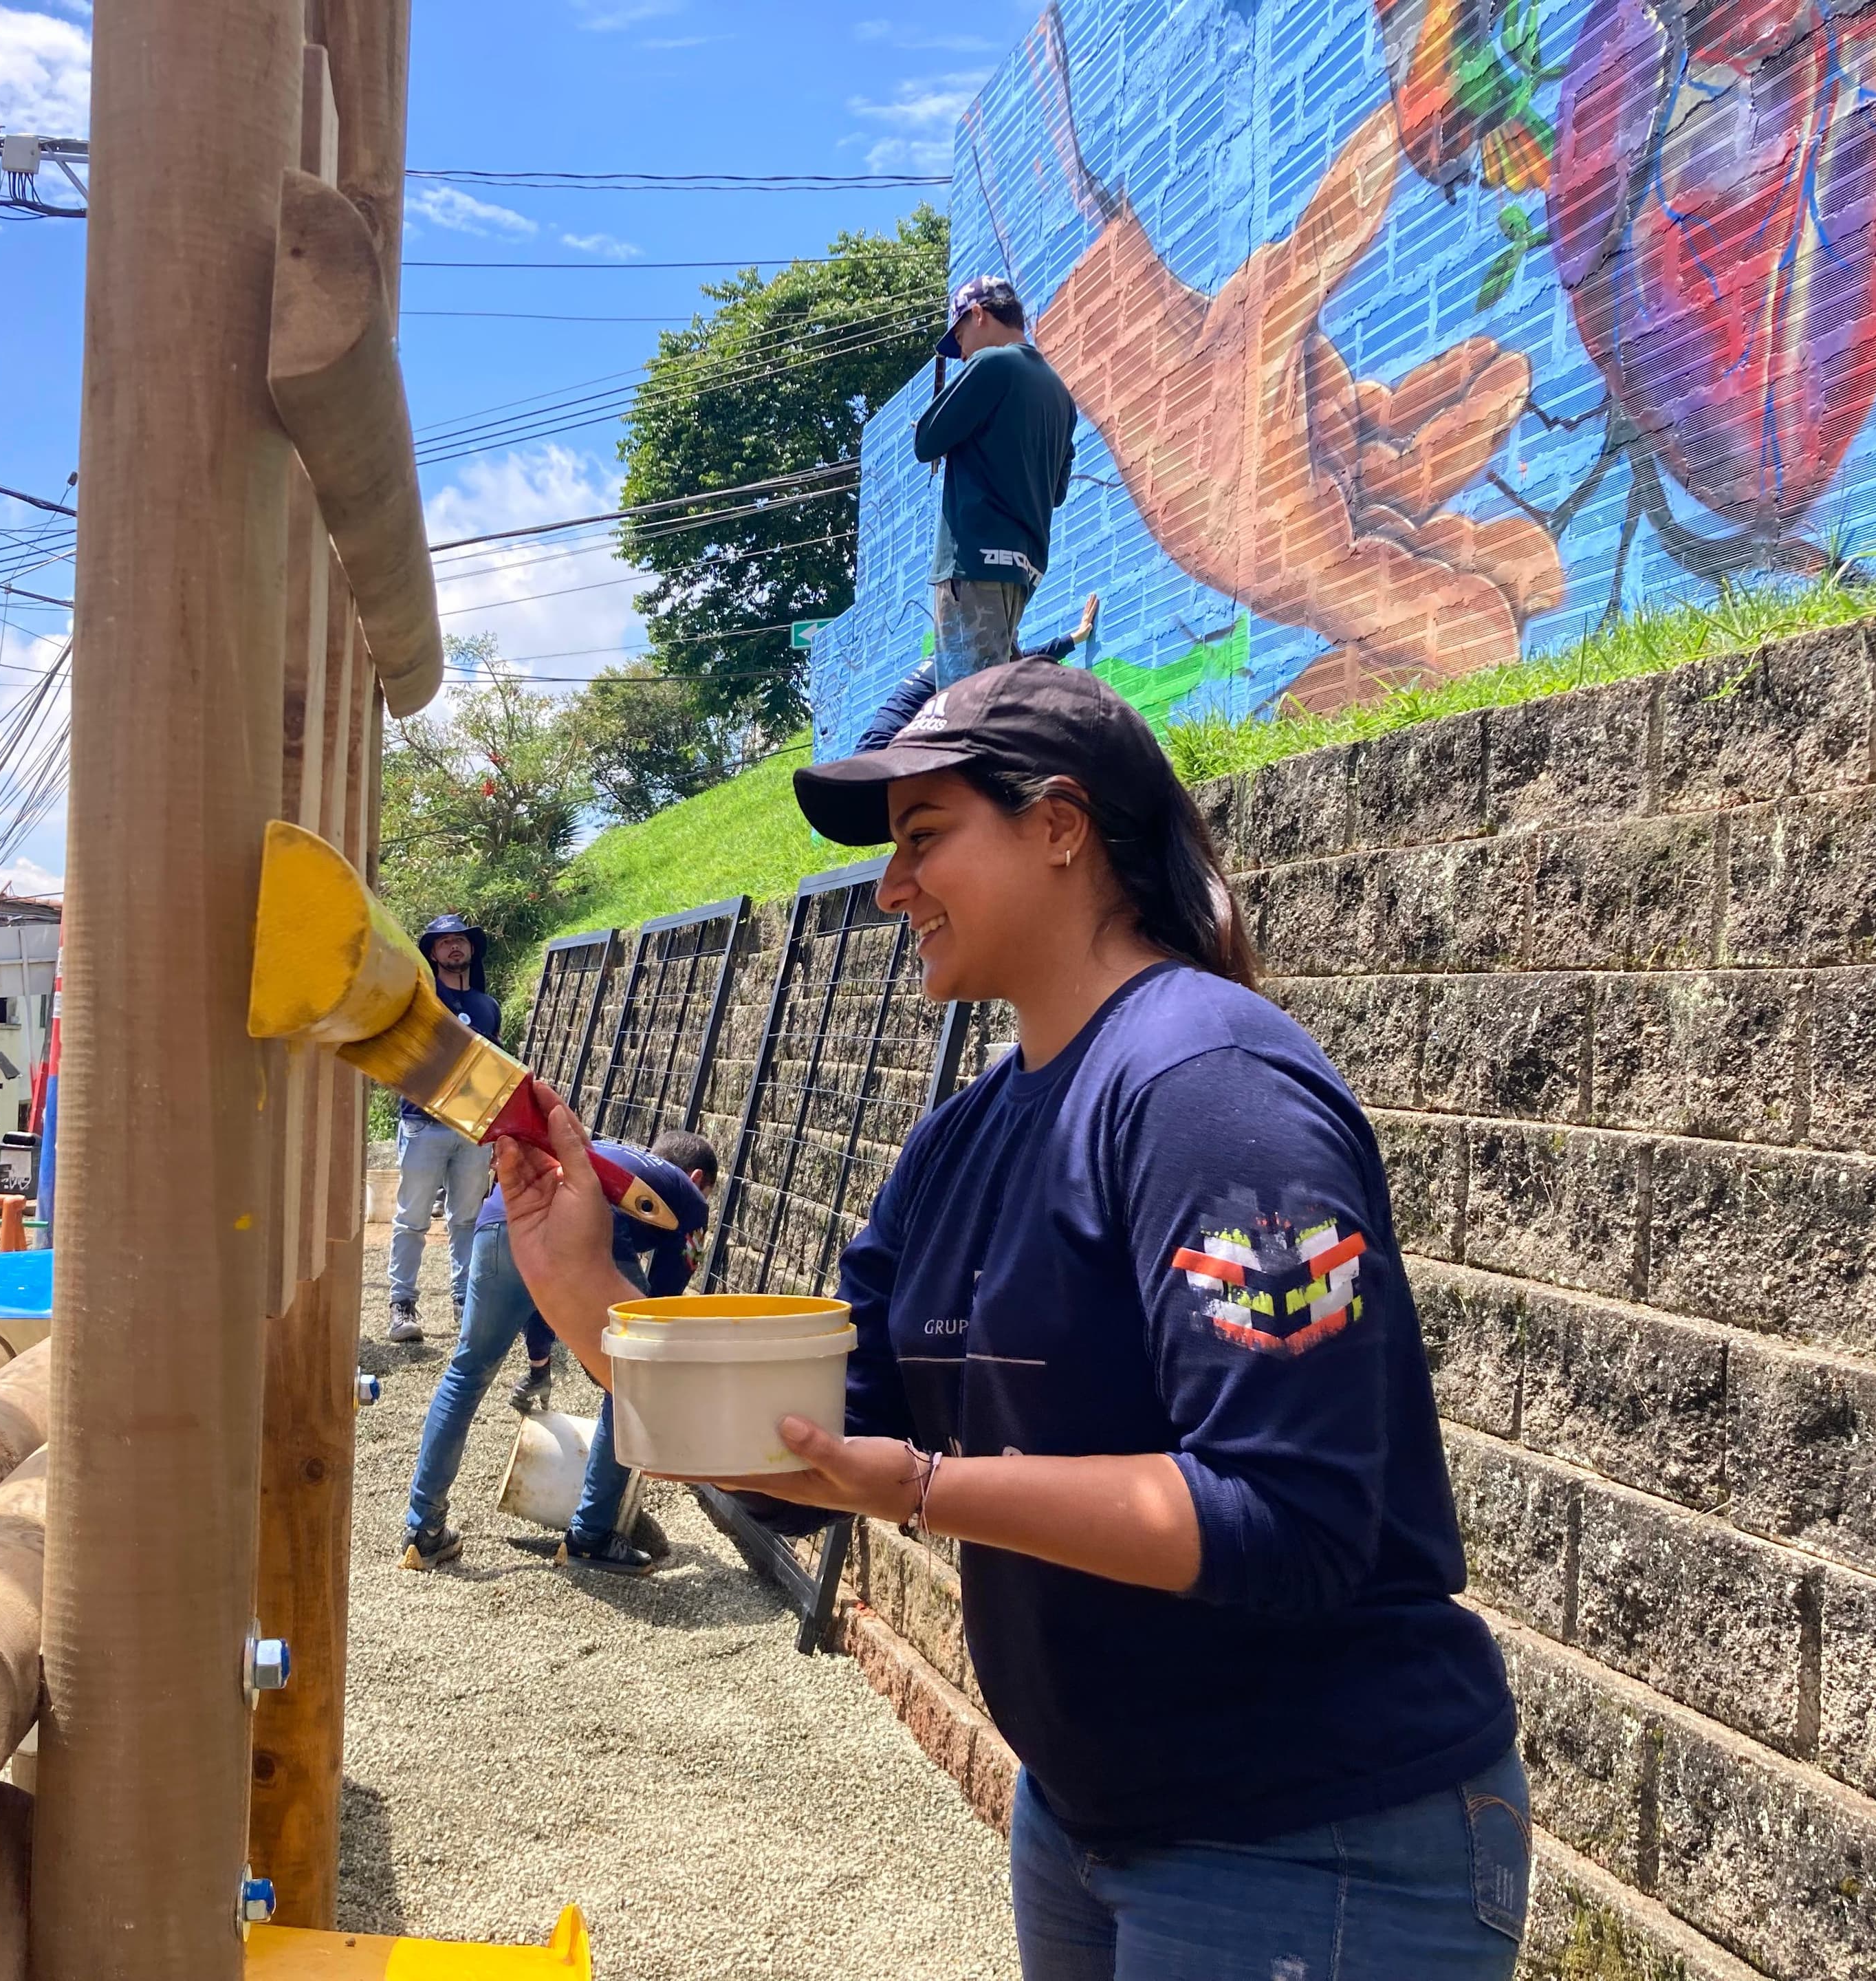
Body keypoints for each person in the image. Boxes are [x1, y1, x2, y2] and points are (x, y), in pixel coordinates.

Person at [496, 663, 1526, 1979]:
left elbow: (1297, 1521)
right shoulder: (967, 1134)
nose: (890, 889)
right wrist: (588, 1290)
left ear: (1059, 826)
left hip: (1311, 1837)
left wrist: (929, 1488)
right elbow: (819, 1455)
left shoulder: (1213, 1090)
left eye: (926, 839)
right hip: (1085, 1818)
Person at [964, 6, 1560, 711]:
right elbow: (1321, 240)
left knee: (1488, 604)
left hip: (1251, 508)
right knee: (1484, 612)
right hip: (1268, 515)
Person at [402, 1129, 715, 1579]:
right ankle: (590, 1536)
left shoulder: (622, 1156)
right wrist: (608, 1361)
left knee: (467, 1371)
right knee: (631, 1381)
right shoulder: (691, 1201)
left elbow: (541, 1286)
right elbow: (655, 1315)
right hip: (584, 1222)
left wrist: (540, 1362)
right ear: (698, 1177)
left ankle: (422, 1532)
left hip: (503, 1216)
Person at [917, 274, 1080, 686]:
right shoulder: (1061, 397)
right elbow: (1057, 492)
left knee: (963, 709)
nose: (961, 354)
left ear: (979, 314)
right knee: (997, 698)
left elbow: (927, 441)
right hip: (1020, 572)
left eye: (960, 339)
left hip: (970, 564)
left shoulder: (992, 365)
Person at [386, 913, 502, 1344]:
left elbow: (492, 1070)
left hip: (472, 1128)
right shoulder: (420, 998)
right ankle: (401, 1306)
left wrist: (495, 1128)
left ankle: (464, 1302)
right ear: (431, 954)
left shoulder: (487, 1006)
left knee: (467, 1219)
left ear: (472, 950)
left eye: (461, 941)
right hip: (423, 1123)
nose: (455, 947)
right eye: (444, 942)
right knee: (412, 1218)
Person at [855, 591, 1102, 753]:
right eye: (1011, 640)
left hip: (876, 749)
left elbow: (1024, 659)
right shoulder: (966, 663)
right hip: (880, 752)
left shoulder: (954, 654)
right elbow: (1020, 663)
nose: (1014, 644)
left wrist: (1074, 638)